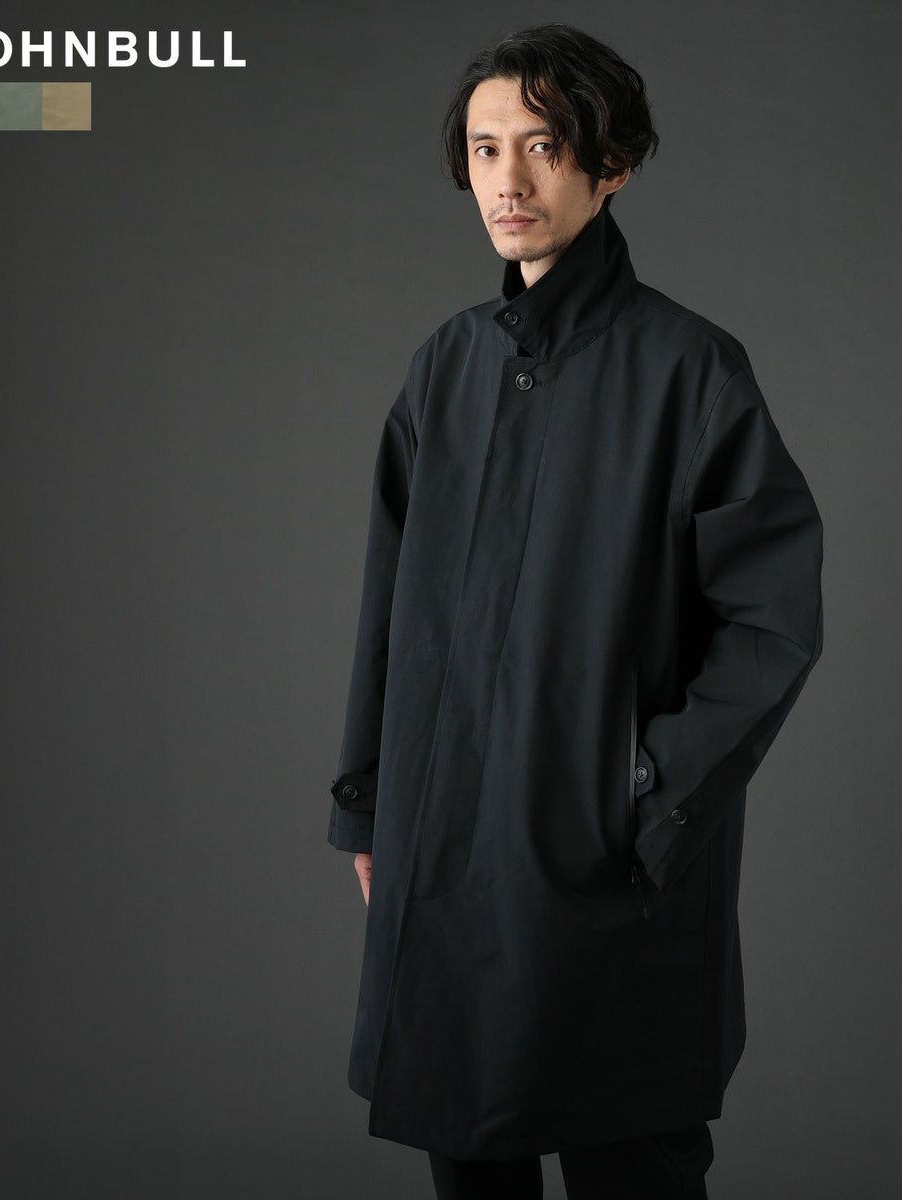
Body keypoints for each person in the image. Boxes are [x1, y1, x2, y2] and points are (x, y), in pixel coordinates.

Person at [327, 22, 824, 1200]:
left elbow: (771, 622)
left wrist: (643, 790)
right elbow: (389, 608)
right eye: (486, 149)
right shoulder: (444, 371)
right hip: (447, 853)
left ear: (612, 165)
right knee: (471, 1150)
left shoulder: (691, 371)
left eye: (543, 146)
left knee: (629, 1151)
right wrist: (370, 804)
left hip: (606, 865)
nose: (508, 180)